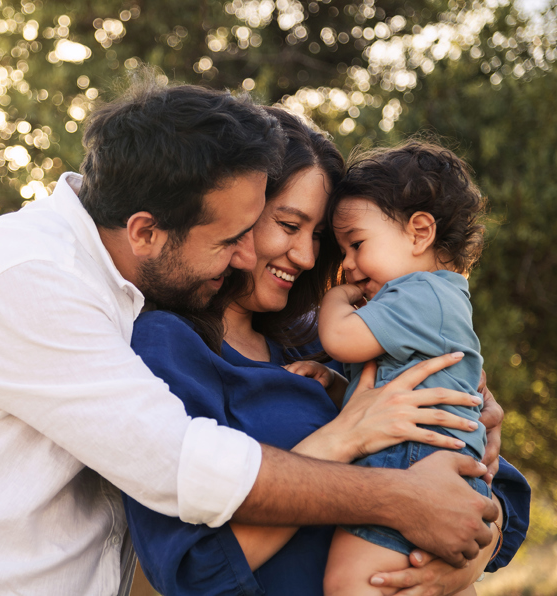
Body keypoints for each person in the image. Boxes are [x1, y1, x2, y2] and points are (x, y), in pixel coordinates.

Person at [0, 79, 504, 596]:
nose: (250, 256)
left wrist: (468, 538)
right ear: (145, 230)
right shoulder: (33, 278)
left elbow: (487, 485)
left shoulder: (283, 332)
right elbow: (181, 469)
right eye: (243, 234)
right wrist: (395, 497)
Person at [123, 110, 529, 595]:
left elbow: (500, 496)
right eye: (289, 224)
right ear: (237, 212)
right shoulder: (163, 346)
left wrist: (456, 563)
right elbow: (194, 572)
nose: (309, 257)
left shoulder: (329, 338)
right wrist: (347, 437)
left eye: (319, 236)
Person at [317, 142, 498, 595]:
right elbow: (386, 389)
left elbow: (339, 337)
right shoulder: (435, 298)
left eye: (356, 244)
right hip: (436, 463)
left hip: (414, 463)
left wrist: (335, 300)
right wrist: (337, 384)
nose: (349, 266)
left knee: (352, 582)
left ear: (419, 233)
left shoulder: (418, 293)